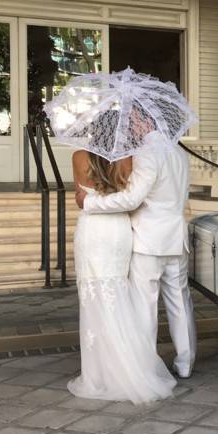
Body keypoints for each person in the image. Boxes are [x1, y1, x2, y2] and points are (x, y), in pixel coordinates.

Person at [77, 119, 197, 380]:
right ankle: (185, 363)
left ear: (145, 121)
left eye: (133, 121)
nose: (129, 127)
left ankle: (145, 366)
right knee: (180, 303)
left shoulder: (146, 152)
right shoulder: (177, 150)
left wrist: (90, 203)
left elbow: (132, 198)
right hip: (176, 237)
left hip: (148, 240)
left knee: (145, 305)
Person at [68, 149, 176, 404]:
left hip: (93, 229)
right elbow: (131, 199)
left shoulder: (79, 156)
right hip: (119, 230)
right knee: (118, 296)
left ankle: (100, 375)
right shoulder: (130, 159)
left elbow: (79, 196)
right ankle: (128, 369)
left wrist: (88, 198)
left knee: (93, 300)